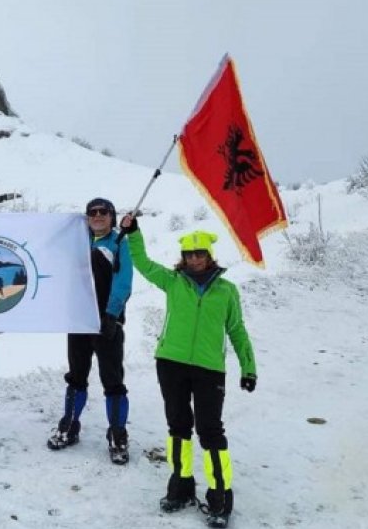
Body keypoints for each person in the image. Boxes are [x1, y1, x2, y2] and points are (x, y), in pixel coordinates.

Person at [119, 214, 256, 528]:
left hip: (209, 368)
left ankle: (220, 495)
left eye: (200, 254)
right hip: (171, 363)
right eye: (189, 254)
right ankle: (180, 486)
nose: (194, 259)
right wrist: (134, 233)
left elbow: (237, 330)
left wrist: (248, 367)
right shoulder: (172, 281)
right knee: (178, 426)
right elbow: (142, 262)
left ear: (209, 256)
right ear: (183, 258)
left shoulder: (226, 291)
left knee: (210, 431)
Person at [47, 197, 133, 465]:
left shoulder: (118, 243)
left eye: (103, 212)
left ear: (111, 216)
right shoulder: (77, 242)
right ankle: (69, 426)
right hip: (78, 322)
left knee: (113, 381)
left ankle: (117, 435)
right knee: (76, 376)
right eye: (92, 213)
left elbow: (124, 280)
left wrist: (112, 313)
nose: (97, 216)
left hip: (106, 324)